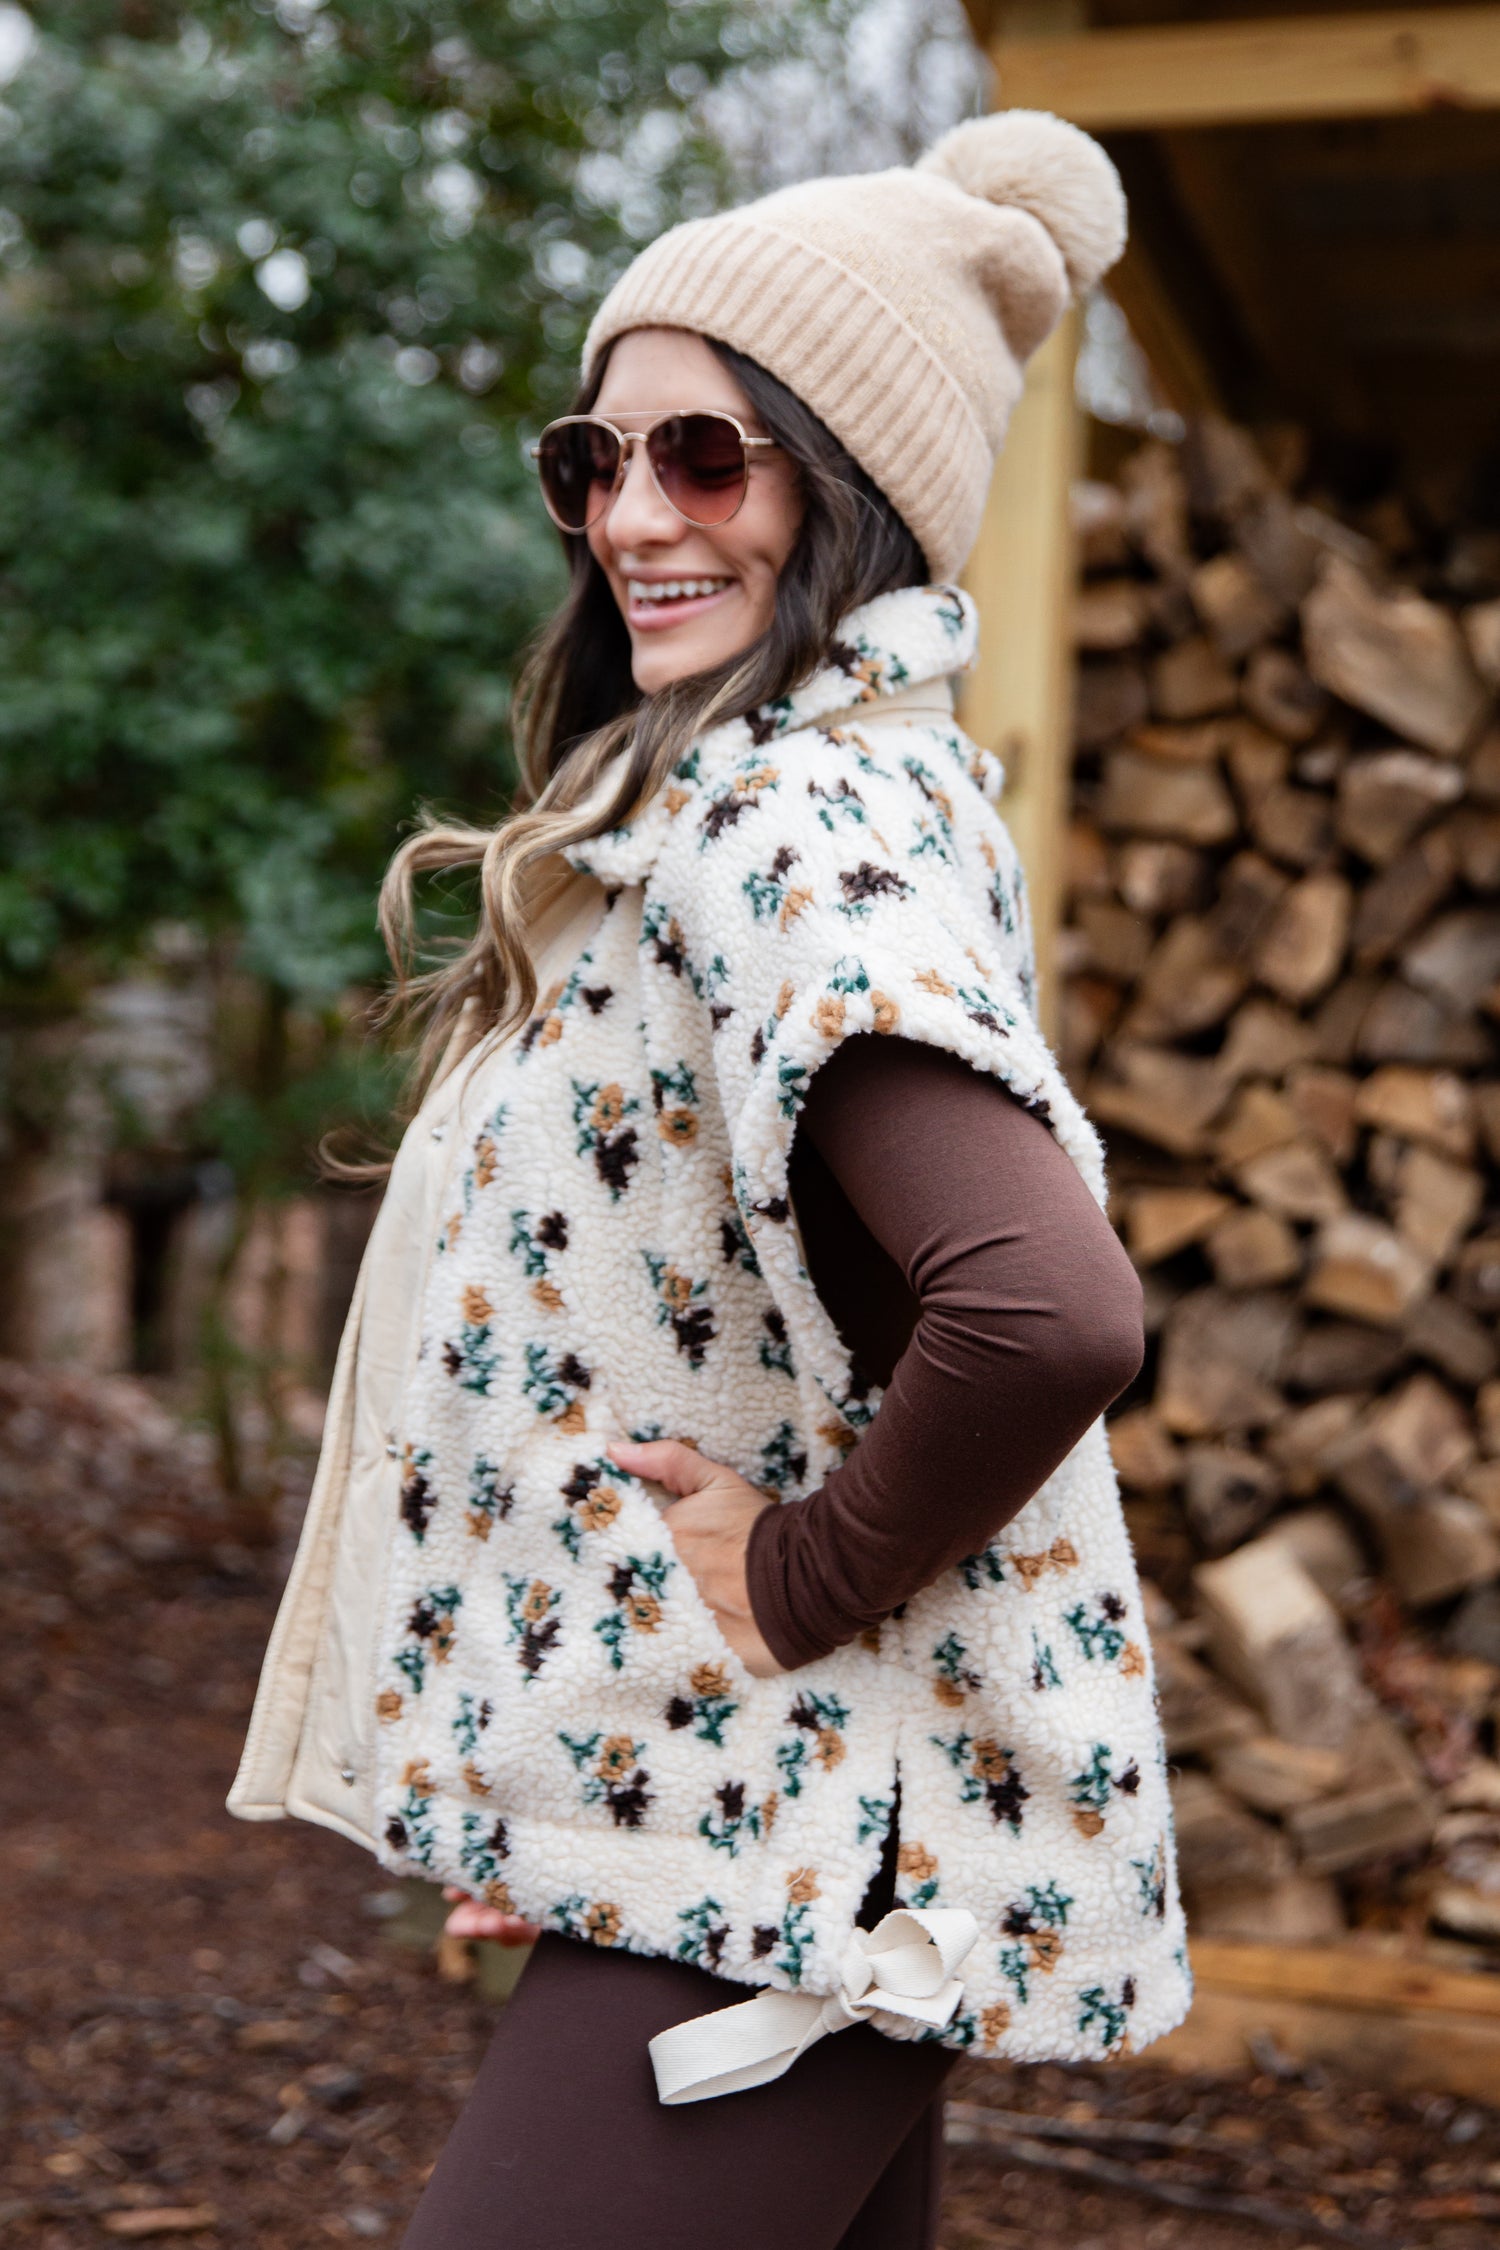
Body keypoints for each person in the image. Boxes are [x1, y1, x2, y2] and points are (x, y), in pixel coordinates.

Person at [229, 108, 1190, 2250]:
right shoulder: (774, 810)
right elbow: (753, 1336)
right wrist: (591, 1770)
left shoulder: (794, 836)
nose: (633, 517)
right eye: (597, 460)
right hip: (782, 1830)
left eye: (707, 458)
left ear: (850, 498)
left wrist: (791, 1580)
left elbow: (1053, 1311)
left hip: (801, 1866)